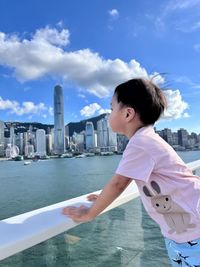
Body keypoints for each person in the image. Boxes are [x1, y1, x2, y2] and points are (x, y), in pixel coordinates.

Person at [62, 78, 200, 266]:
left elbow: (119, 183)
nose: (109, 113)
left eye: (111, 108)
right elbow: (131, 180)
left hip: (193, 232)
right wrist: (103, 196)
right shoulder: (146, 139)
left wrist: (89, 214)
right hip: (183, 232)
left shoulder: (141, 143)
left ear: (128, 114)